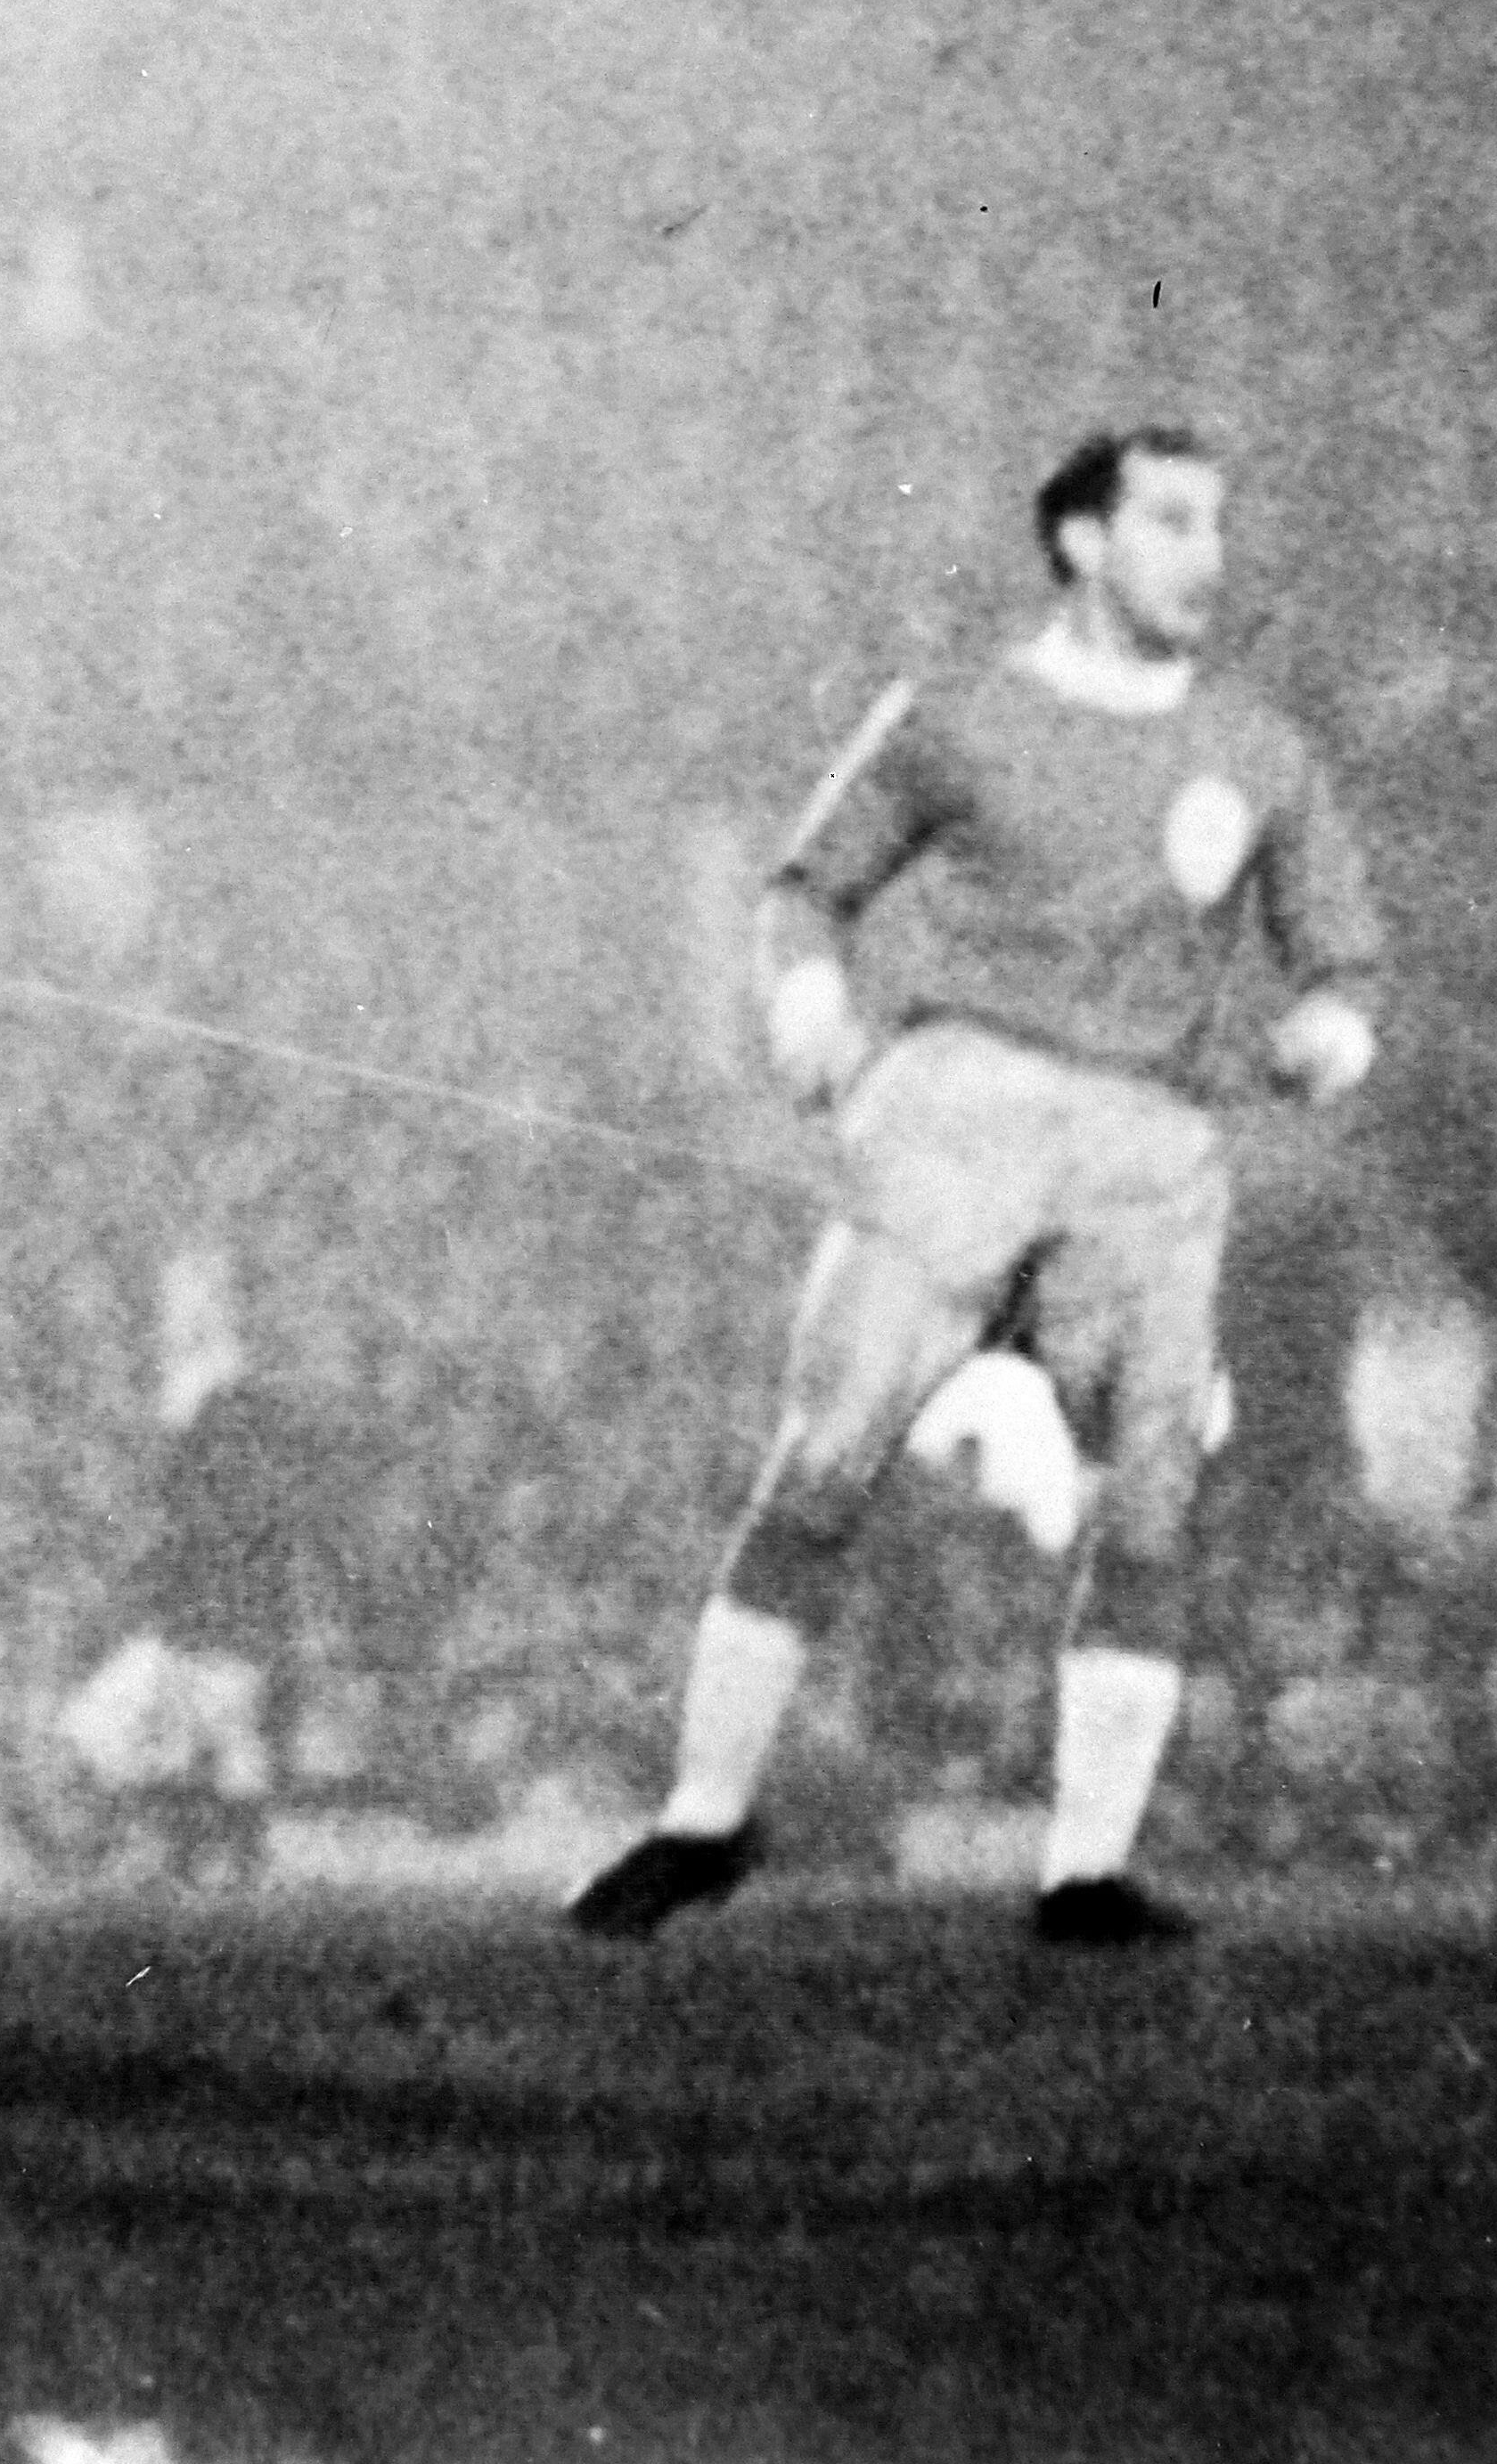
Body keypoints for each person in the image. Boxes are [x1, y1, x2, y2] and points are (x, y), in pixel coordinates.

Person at [571, 427, 1387, 1947]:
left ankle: (1083, 1873)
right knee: (829, 1452)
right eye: (1170, 521)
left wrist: (1333, 1029)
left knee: (1151, 1499)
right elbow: (806, 886)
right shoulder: (956, 716)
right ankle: (702, 1819)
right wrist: (807, 999)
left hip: (1152, 1139)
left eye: (1216, 523)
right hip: (960, 1108)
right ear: (1080, 543)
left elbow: (1341, 954)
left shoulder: (1261, 751)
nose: (1206, 554)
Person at [56, 1245, 343, 1880]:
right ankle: (184, 1855)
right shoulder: (201, 1495)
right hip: (190, 1648)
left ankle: (219, 1861)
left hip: (219, 1652)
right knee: (148, 1747)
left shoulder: (248, 1508)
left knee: (219, 1757)